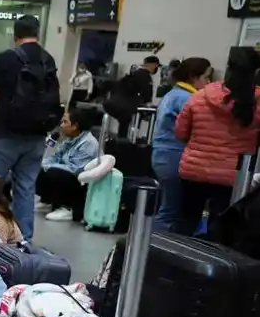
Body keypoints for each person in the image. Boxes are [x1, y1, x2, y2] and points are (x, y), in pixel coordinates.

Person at [0, 14, 60, 241]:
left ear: (15, 36)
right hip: (36, 137)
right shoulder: (49, 60)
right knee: (25, 189)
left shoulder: (6, 58)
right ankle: (23, 240)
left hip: (5, 134)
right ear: (37, 34)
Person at [174, 48, 260, 236]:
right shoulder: (256, 102)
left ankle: (174, 262)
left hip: (193, 170)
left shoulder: (200, 96)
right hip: (233, 177)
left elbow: (180, 132)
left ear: (227, 67)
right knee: (221, 229)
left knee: (185, 222)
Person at [150, 57, 212, 232]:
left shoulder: (173, 94)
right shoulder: (188, 98)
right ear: (194, 76)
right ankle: (155, 248)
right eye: (206, 77)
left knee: (167, 207)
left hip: (162, 156)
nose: (208, 82)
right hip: (174, 156)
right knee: (170, 212)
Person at [34, 108, 100, 222]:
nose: (61, 125)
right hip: (67, 175)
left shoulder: (89, 143)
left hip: (80, 184)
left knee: (54, 173)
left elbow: (75, 170)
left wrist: (49, 167)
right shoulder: (69, 139)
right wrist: (41, 165)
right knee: (34, 167)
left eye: (65, 122)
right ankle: (48, 201)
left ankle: (67, 208)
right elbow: (55, 158)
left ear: (75, 126)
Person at [105, 56, 160, 137]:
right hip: (131, 106)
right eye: (156, 65)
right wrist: (148, 103)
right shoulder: (145, 76)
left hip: (123, 105)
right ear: (152, 64)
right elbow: (146, 93)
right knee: (133, 126)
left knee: (125, 126)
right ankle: (128, 142)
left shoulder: (135, 74)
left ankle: (122, 142)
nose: (156, 68)